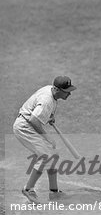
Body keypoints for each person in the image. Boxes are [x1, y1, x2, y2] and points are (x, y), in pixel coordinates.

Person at [13, 76, 77, 204]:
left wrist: (50, 116)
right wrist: (47, 137)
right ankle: (28, 189)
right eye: (67, 91)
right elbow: (34, 120)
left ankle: (54, 193)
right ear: (56, 89)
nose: (69, 93)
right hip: (25, 127)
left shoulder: (51, 91)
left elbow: (41, 107)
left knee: (53, 155)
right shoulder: (47, 100)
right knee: (46, 156)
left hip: (28, 123)